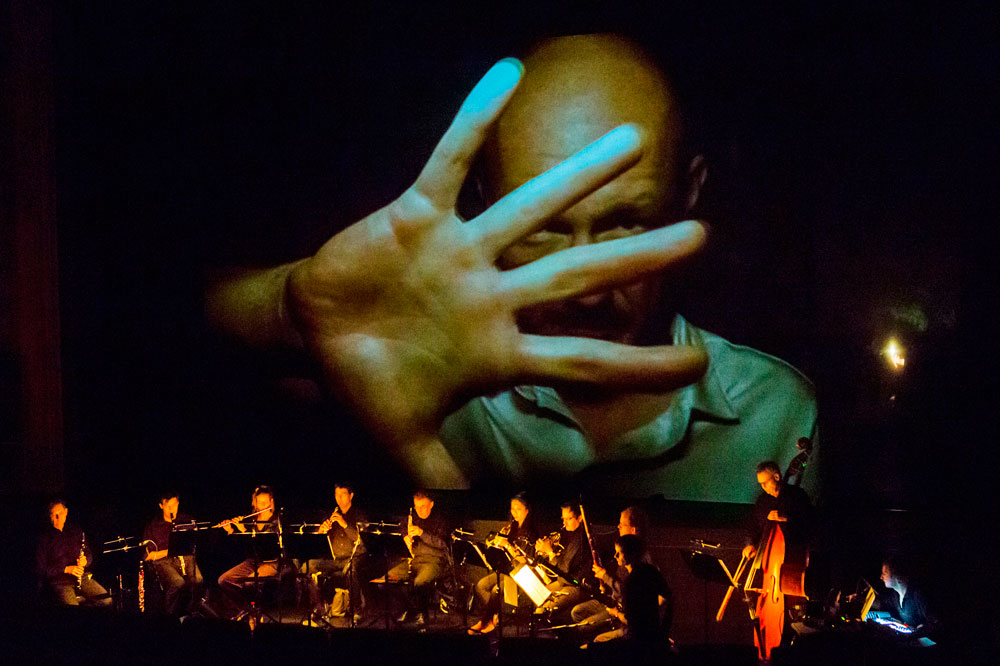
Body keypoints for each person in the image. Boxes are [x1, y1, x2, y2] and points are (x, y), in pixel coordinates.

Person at [204, 40, 714, 491]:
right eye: (543, 228)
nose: (587, 292)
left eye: (625, 222)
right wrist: (285, 313)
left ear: (689, 192)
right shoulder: (409, 371)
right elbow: (155, 328)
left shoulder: (785, 420)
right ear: (484, 199)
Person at [742, 461, 812, 660]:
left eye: (765, 483)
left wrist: (786, 519)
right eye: (760, 484)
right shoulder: (763, 502)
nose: (763, 488)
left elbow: (810, 523)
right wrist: (750, 544)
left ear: (777, 477)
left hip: (789, 573)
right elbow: (752, 527)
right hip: (770, 576)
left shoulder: (797, 497)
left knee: (792, 624)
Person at [468, 492, 539, 634]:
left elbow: (523, 560)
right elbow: (504, 554)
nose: (514, 513)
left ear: (527, 509)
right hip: (507, 569)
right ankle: (495, 616)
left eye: (518, 509)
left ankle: (486, 621)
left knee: (496, 590)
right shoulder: (512, 527)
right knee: (481, 586)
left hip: (522, 573)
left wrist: (507, 545)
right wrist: (496, 543)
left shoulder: (531, 532)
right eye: (512, 509)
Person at [572, 504, 651, 628]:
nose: (618, 527)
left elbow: (628, 592)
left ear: (633, 530)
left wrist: (606, 577)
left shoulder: (638, 558)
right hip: (612, 599)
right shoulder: (626, 547)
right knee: (577, 612)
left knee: (582, 626)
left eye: (623, 524)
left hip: (622, 608)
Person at [301, 481, 367, 623]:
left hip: (354, 557)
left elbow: (363, 540)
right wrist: (321, 531)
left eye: (343, 495)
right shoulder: (331, 514)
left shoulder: (359, 515)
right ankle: (318, 607)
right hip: (334, 558)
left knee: (352, 570)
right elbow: (319, 541)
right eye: (337, 495)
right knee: (308, 566)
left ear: (351, 496)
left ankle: (357, 610)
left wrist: (344, 523)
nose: (339, 498)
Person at [216, 485, 285, 618]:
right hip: (253, 561)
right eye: (260, 503)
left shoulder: (276, 522)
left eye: (266, 502)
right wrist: (231, 530)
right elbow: (246, 546)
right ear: (255, 503)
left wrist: (244, 531)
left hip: (272, 562)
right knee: (224, 580)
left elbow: (266, 548)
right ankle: (247, 610)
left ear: (271, 502)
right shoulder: (251, 520)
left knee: (249, 583)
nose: (263, 506)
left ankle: (253, 614)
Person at [592, 535, 672, 646]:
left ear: (632, 554)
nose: (615, 556)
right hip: (655, 634)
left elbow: (632, 623)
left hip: (637, 640)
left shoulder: (630, 582)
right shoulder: (651, 570)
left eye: (619, 553)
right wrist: (663, 630)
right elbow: (669, 596)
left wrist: (616, 613)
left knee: (595, 644)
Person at [386, 490, 450, 628]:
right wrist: (405, 536)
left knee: (420, 582)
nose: (419, 510)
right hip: (415, 560)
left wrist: (422, 533)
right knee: (388, 579)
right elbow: (402, 526)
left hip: (434, 561)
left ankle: (422, 613)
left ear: (431, 505)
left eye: (423, 506)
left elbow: (443, 544)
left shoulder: (440, 520)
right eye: (417, 507)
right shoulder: (412, 517)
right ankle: (411, 610)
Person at [35, 500, 111, 607]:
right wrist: (66, 569)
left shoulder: (76, 531)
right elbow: (41, 570)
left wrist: (85, 561)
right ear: (49, 516)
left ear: (66, 512)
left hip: (81, 577)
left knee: (106, 600)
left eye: (60, 513)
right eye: (54, 515)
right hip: (60, 582)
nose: (58, 518)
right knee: (73, 608)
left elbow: (88, 554)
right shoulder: (44, 538)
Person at [142, 491, 204, 616]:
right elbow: (148, 555)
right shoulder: (153, 526)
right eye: (168, 506)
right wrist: (169, 551)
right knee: (177, 582)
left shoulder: (187, 520)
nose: (171, 509)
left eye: (174, 505)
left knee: (197, 580)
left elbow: (195, 544)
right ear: (161, 506)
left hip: (185, 557)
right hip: (163, 560)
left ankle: (191, 613)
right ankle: (170, 617)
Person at [534, 502, 593, 620]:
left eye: (569, 519)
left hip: (577, 585)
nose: (564, 523)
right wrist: (546, 552)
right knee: (538, 595)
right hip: (563, 581)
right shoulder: (567, 533)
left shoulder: (580, 538)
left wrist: (550, 552)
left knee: (547, 608)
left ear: (580, 518)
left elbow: (563, 569)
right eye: (563, 519)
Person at [878, 556, 937, 635]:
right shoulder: (896, 595)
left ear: (896, 574)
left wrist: (922, 629)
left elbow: (936, 622)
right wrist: (863, 600)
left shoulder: (917, 595)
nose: (881, 577)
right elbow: (883, 604)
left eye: (885, 573)